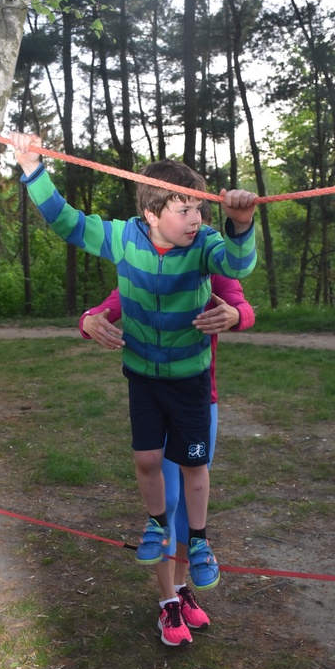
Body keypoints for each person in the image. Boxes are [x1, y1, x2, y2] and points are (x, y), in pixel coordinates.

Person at [10, 131, 257, 646]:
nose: (196, 218)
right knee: (161, 489)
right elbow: (72, 228)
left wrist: (240, 225)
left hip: (195, 388)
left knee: (192, 486)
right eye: (185, 209)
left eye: (200, 208)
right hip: (146, 381)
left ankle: (185, 587)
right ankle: (167, 600)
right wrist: (32, 169)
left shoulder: (206, 245)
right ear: (151, 213)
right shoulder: (127, 241)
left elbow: (237, 276)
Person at [79, 273, 255, 645]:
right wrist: (88, 320)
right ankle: (167, 601)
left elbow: (241, 305)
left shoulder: (209, 265)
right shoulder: (145, 267)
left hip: (198, 402)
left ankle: (179, 586)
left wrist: (236, 315)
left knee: (188, 507)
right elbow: (109, 306)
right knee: (168, 500)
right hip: (156, 400)